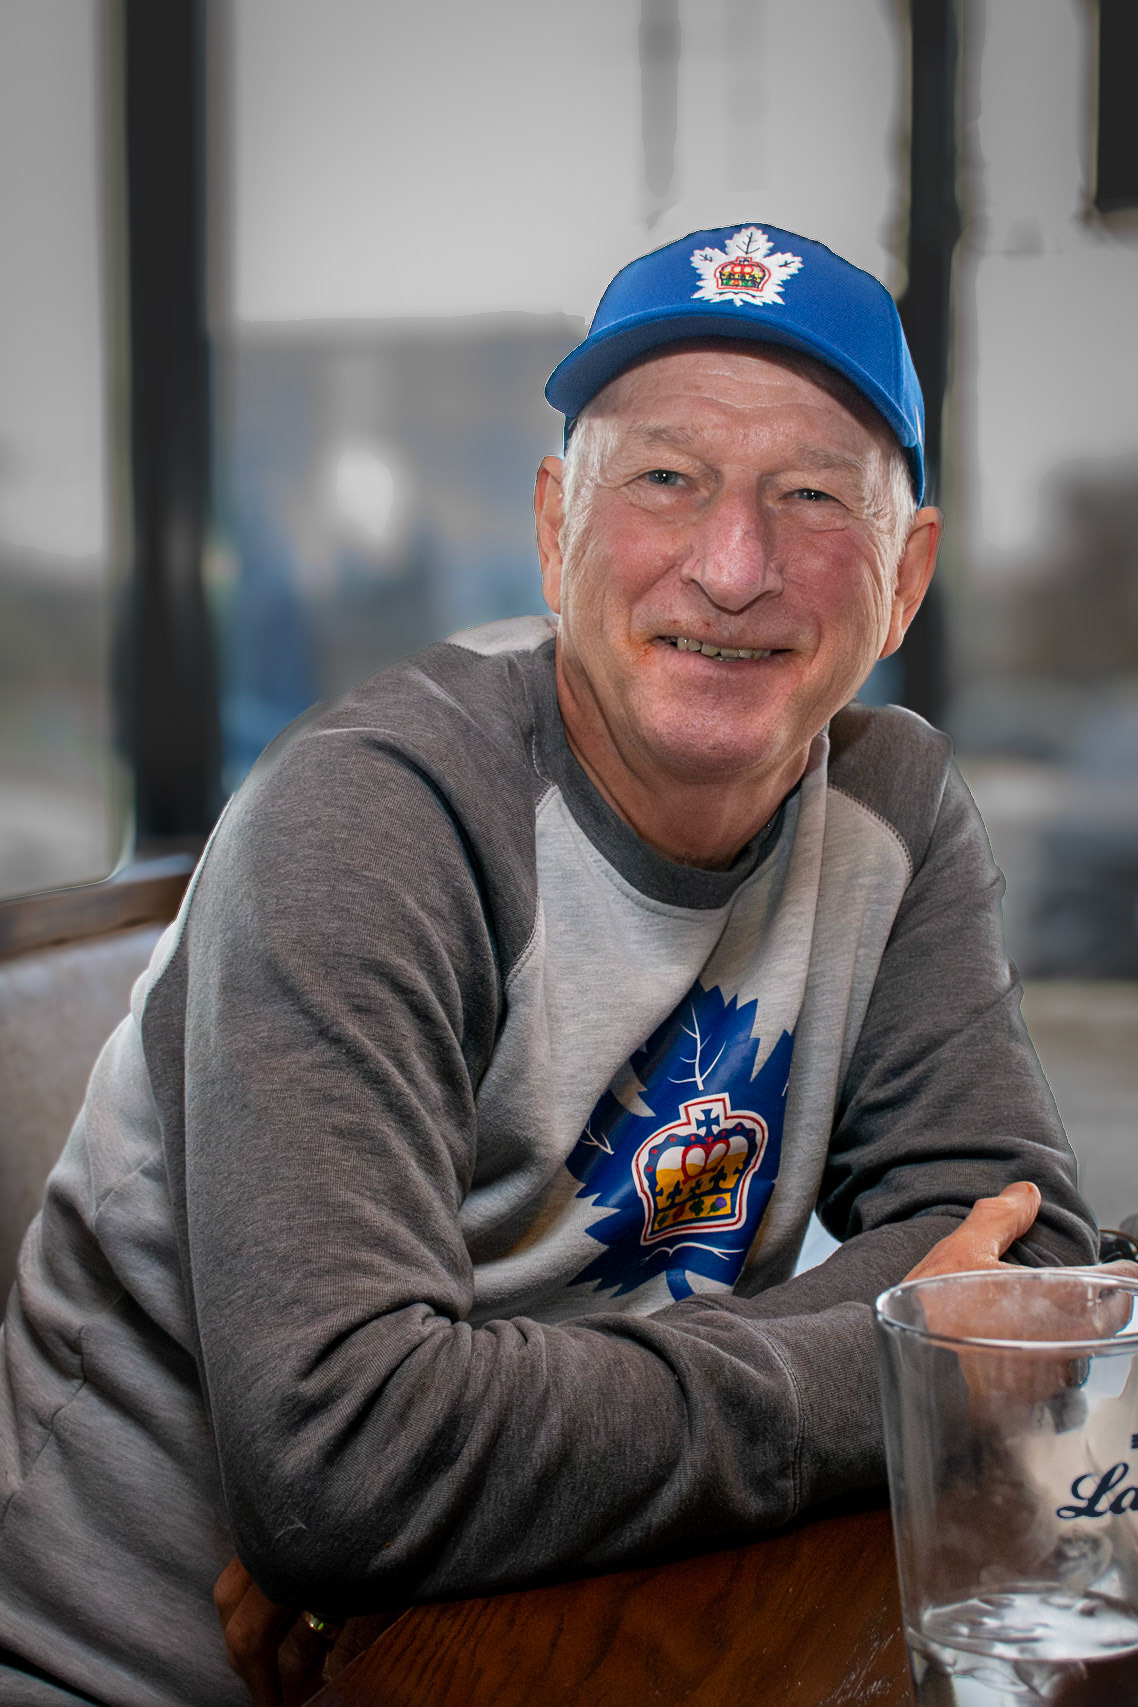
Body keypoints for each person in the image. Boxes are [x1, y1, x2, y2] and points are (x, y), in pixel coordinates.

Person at [0, 225, 1102, 1707]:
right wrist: (889, 1361)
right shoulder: (373, 814)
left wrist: (467, 1493)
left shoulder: (892, 809)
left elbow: (1029, 1264)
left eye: (812, 496)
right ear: (552, 528)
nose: (733, 567)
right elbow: (343, 1468)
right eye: (664, 478)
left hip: (577, 1609)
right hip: (131, 1675)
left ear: (904, 578)